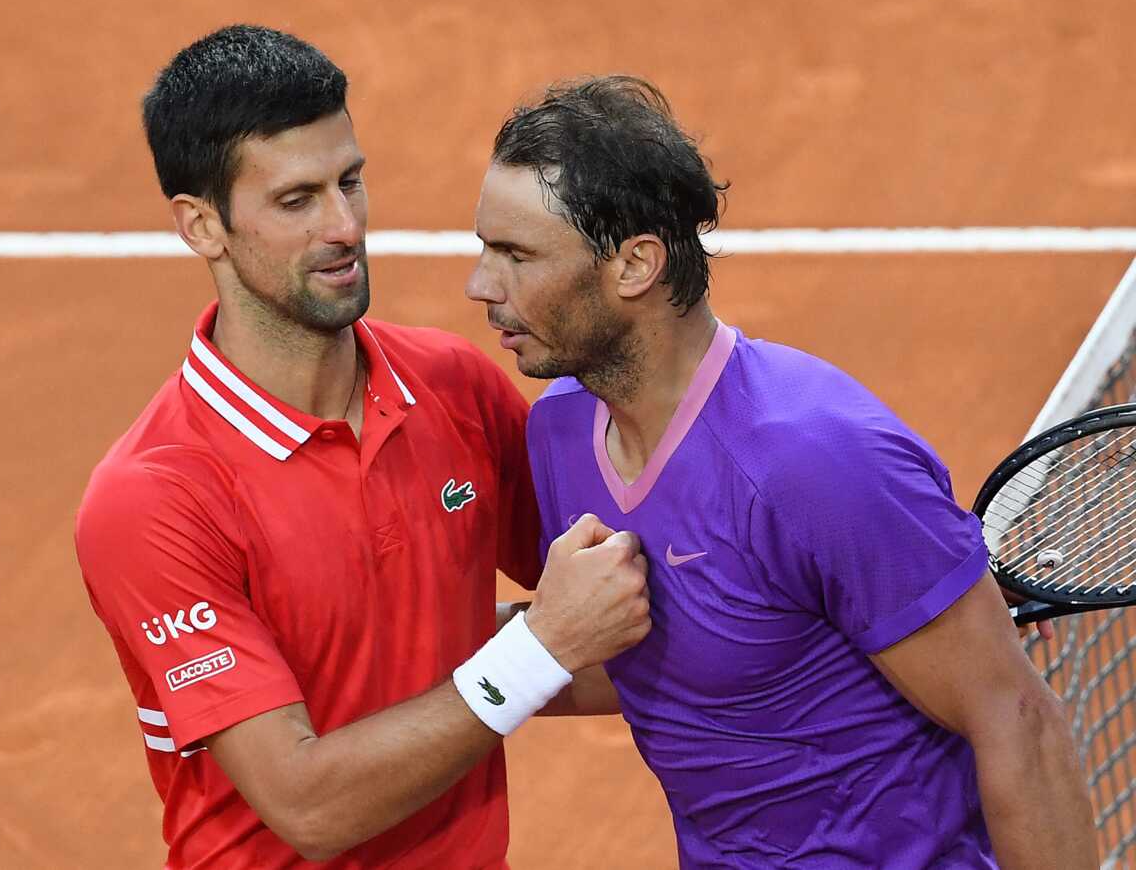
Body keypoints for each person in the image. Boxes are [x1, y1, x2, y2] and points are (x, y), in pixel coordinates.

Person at [466, 75, 1097, 869]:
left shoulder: (815, 459)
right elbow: (678, 673)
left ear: (634, 265)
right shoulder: (562, 430)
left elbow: (1019, 722)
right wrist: (397, 649)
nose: (481, 286)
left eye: (515, 255)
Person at [74, 27, 652, 869]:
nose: (345, 225)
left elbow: (609, 618)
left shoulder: (453, 387)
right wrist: (541, 646)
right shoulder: (155, 498)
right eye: (296, 199)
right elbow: (308, 804)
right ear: (203, 226)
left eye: (350, 181)